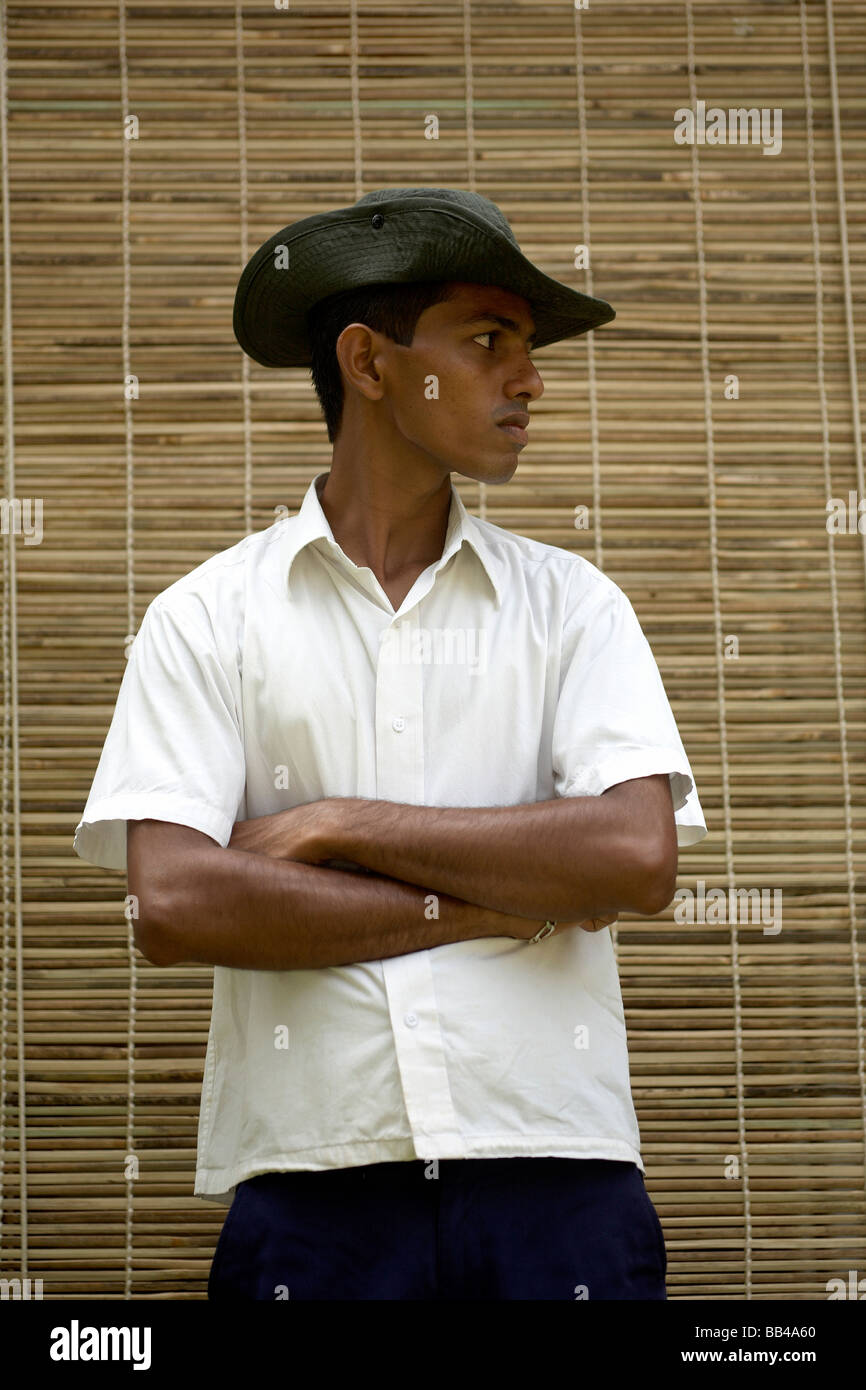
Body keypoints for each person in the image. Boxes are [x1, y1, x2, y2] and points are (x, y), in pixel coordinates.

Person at [73, 186, 708, 1301]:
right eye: (486, 341)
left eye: (522, 346)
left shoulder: (574, 607)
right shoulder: (206, 616)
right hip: (314, 1192)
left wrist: (334, 824)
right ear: (369, 364)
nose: (529, 379)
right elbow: (174, 902)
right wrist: (498, 901)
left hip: (556, 1177)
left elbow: (631, 858)